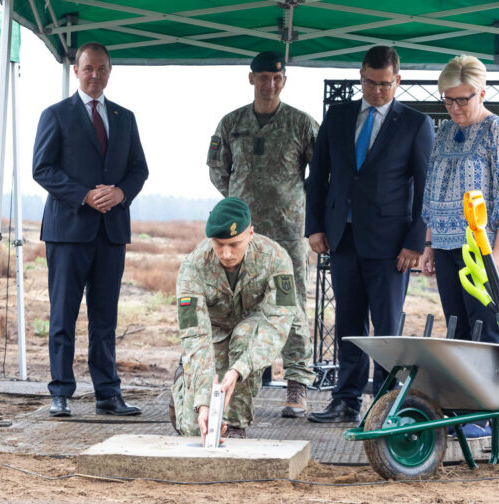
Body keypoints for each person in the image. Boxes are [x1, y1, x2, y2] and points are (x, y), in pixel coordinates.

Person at [305, 46, 434, 423]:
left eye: (384, 84)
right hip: (341, 238)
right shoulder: (339, 115)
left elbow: (426, 187)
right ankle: (345, 400)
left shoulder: (414, 123)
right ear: (360, 76)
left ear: (398, 80)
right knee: (348, 324)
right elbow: (319, 175)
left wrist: (415, 241)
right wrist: (314, 226)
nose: (376, 91)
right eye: (369, 83)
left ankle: (384, 405)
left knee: (386, 329)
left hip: (391, 244)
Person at [33, 42, 149, 417]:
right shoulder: (56, 114)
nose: (95, 75)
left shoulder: (125, 117)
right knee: (63, 314)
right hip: (68, 231)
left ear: (109, 72)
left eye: (101, 69)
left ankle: (107, 395)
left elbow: (138, 170)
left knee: (105, 317)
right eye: (88, 69)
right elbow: (43, 168)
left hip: (111, 232)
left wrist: (120, 193)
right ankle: (61, 392)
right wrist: (84, 195)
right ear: (76, 71)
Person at [419, 55, 499, 438]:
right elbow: (433, 191)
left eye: (462, 99)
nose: (454, 107)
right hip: (447, 247)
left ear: (482, 92)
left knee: (485, 332)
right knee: (459, 330)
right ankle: (461, 413)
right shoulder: (445, 132)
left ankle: (484, 416)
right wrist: (429, 245)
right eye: (448, 100)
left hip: (484, 248)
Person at [207, 51, 319, 418]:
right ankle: (243, 381)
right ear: (251, 79)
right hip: (241, 239)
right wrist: (238, 209)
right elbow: (218, 171)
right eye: (263, 77)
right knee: (241, 306)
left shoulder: (301, 124)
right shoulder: (232, 123)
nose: (270, 84)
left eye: (277, 78)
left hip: (286, 236)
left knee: (292, 304)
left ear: (283, 81)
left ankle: (298, 384)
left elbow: (320, 176)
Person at [170, 197, 299, 442]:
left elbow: (279, 320)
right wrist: (202, 402)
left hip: (253, 327)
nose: (226, 253)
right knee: (194, 430)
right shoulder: (192, 267)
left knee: (243, 339)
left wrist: (241, 368)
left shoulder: (276, 258)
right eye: (219, 244)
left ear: (250, 233)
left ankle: (236, 425)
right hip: (213, 331)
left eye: (234, 244)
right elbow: (194, 334)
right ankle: (181, 386)